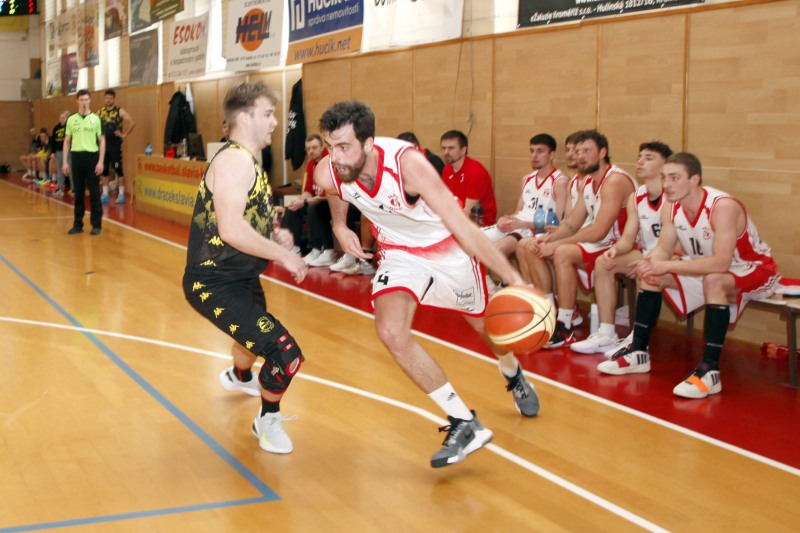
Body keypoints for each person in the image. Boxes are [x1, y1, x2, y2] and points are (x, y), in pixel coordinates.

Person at [315, 101, 535, 469]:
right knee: (390, 331)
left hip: (447, 248)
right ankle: (464, 422)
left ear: (368, 143)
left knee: (486, 328)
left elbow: (464, 229)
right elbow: (335, 190)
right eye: (329, 146)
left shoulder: (409, 166)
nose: (334, 156)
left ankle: (512, 373)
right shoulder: (330, 169)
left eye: (343, 147)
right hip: (399, 253)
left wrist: (515, 281)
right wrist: (339, 225)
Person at [182, 82, 308, 453]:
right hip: (214, 284)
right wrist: (284, 256)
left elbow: (246, 218)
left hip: (242, 278)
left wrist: (274, 234)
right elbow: (231, 230)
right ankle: (267, 420)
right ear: (244, 117)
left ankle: (239, 375)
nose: (275, 122)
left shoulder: (249, 162)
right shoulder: (234, 161)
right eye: (268, 114)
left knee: (251, 339)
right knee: (285, 354)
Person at [598, 152, 780, 398]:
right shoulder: (672, 207)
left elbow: (721, 262)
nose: (667, 185)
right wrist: (650, 262)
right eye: (664, 178)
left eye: (674, 178)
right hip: (708, 268)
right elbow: (663, 248)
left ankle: (709, 371)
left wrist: (667, 266)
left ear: (695, 180)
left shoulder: (722, 207)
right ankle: (638, 352)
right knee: (650, 275)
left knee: (713, 279)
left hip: (754, 269)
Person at [519, 130, 637, 348]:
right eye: (578, 151)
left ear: (603, 152)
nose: (581, 156)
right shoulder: (588, 181)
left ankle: (565, 324)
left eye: (587, 151)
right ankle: (550, 313)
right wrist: (548, 239)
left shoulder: (614, 181)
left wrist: (557, 244)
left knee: (562, 252)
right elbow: (572, 223)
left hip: (623, 246)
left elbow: (599, 230)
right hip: (600, 242)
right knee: (534, 245)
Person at [571, 141, 673, 354]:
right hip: (646, 253)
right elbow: (628, 239)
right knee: (603, 262)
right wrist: (615, 251)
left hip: (674, 257)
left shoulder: (673, 196)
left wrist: (651, 260)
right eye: (639, 156)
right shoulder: (636, 196)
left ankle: (637, 338)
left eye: (649, 158)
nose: (640, 161)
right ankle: (607, 333)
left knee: (646, 271)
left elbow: (679, 243)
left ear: (665, 166)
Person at [63, 89, 105, 236]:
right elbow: (67, 141)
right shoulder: (71, 120)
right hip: (76, 158)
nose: (84, 102)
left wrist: (100, 161)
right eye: (81, 100)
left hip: (92, 157)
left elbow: (102, 140)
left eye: (86, 99)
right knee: (78, 192)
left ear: (90, 100)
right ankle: (77, 224)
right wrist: (65, 162)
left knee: (94, 192)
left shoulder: (96, 119)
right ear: (77, 101)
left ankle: (96, 225)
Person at [440, 130, 498, 226]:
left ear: (463, 150)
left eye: (451, 148)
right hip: (455, 219)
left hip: (479, 223)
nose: (446, 152)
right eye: (443, 148)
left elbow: (467, 213)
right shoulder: (447, 169)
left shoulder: (476, 171)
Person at [282, 134, 328, 254]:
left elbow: (326, 196)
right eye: (308, 149)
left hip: (327, 202)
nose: (311, 151)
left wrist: (304, 202)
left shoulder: (329, 161)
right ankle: (293, 247)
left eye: (314, 147)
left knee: (313, 208)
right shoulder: (311, 164)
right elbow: (308, 191)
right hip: (314, 200)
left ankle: (316, 248)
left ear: (322, 147)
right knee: (291, 208)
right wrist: (299, 200)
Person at [98, 88, 136, 204]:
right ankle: (105, 194)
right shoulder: (100, 112)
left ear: (114, 99)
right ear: (104, 99)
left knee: (118, 169)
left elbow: (132, 122)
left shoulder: (119, 111)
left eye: (110, 98)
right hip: (104, 147)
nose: (108, 100)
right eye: (106, 98)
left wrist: (124, 134)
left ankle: (121, 194)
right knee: (104, 170)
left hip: (114, 146)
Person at [49, 111, 70, 197]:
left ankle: (74, 189)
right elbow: (52, 141)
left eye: (64, 118)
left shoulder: (69, 127)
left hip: (68, 152)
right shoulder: (56, 128)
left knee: (70, 170)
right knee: (59, 171)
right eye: (61, 118)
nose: (62, 119)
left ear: (67, 118)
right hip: (58, 152)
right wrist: (52, 152)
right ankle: (60, 188)